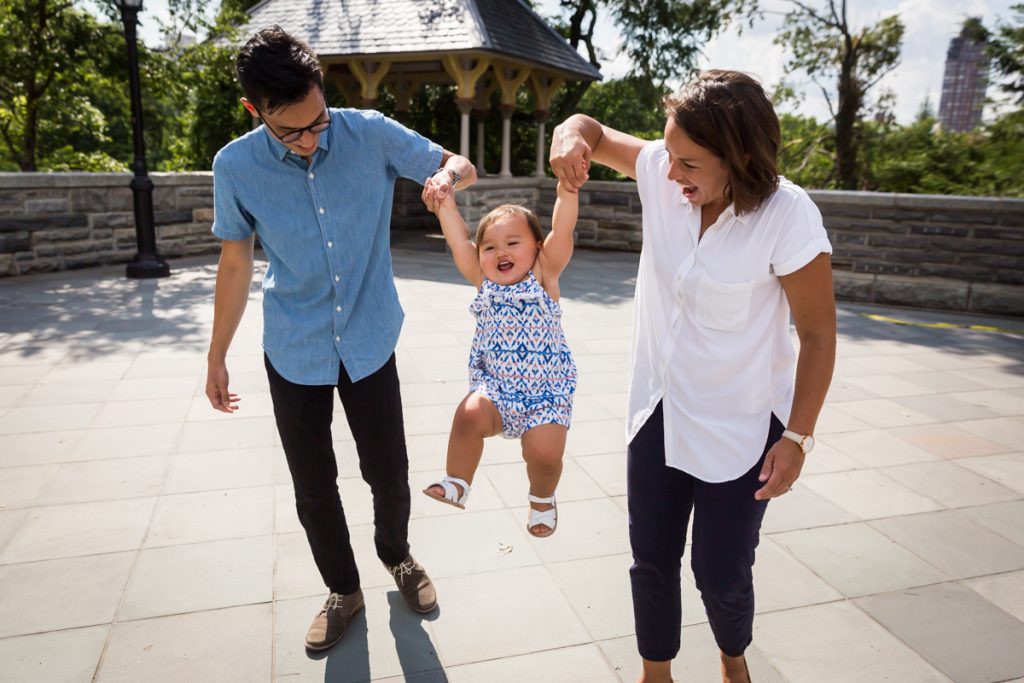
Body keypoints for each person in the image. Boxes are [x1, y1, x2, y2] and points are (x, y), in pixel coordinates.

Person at [550, 70, 837, 683]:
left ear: (739, 157)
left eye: (689, 164)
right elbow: (591, 133)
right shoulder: (664, 170)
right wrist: (570, 135)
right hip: (657, 409)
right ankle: (657, 674)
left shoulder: (787, 216)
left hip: (744, 423)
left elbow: (817, 334)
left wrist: (799, 438)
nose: (669, 172)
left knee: (720, 568)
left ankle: (733, 658)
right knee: (650, 560)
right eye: (669, 156)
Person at [204, 26, 476, 653]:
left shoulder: (369, 131)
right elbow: (236, 264)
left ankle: (397, 555)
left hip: (370, 335)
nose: (308, 139)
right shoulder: (235, 166)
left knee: (389, 470)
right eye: (290, 130)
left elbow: (458, 163)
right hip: (293, 347)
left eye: (317, 121)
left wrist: (446, 181)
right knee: (313, 485)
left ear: (324, 92)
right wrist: (217, 354)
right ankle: (343, 590)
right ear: (255, 110)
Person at [420, 179, 581, 537]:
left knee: (544, 453)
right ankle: (457, 481)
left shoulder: (543, 274)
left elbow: (563, 228)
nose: (500, 252)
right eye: (489, 247)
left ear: (537, 248)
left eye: (512, 243)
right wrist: (445, 204)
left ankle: (542, 498)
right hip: (497, 387)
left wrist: (567, 192)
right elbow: (459, 242)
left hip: (546, 393)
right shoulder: (483, 280)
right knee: (468, 414)